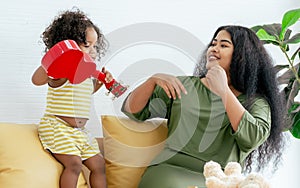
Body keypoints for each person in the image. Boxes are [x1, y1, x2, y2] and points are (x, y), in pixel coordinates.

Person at [122, 25, 288, 187]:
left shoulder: (256, 102)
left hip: (220, 179)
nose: (214, 49)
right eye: (213, 44)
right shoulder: (183, 85)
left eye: (223, 45)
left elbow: (253, 138)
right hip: (170, 171)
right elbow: (133, 111)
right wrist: (152, 80)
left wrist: (223, 91)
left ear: (242, 56)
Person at [32, 9, 109, 188]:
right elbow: (37, 80)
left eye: (94, 46)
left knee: (99, 165)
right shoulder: (60, 71)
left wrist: (100, 83)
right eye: (86, 45)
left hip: (79, 133)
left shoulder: (85, 74)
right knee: (73, 165)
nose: (92, 51)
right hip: (58, 128)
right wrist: (56, 56)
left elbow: (83, 95)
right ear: (70, 45)